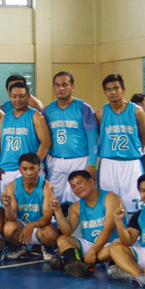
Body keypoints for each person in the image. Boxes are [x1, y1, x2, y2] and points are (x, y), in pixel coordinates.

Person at [49, 170, 123, 277]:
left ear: (92, 181)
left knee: (117, 247)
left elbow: (108, 228)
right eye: (73, 186)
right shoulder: (75, 207)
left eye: (79, 183)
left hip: (110, 243)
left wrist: (93, 251)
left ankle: (73, 262)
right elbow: (67, 231)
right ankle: (77, 264)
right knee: (62, 239)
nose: (77, 188)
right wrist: (57, 211)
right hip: (89, 244)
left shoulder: (110, 198)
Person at [44, 71, 99, 208]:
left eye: (65, 85)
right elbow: (44, 140)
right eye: (57, 85)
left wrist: (92, 164)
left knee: (80, 200)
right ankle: (60, 228)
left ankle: (81, 229)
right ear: (53, 87)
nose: (61, 88)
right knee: (56, 200)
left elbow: (93, 139)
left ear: (72, 87)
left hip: (80, 160)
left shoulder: (84, 108)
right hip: (56, 161)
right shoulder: (47, 111)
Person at [96, 74, 145, 214]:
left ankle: (134, 235)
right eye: (109, 89)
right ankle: (113, 235)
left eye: (116, 88)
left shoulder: (137, 111)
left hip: (131, 163)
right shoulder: (100, 114)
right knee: (108, 205)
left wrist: (133, 152)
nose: (113, 92)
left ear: (123, 89)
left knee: (135, 205)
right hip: (108, 163)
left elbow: (143, 137)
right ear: (105, 92)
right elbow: (99, 137)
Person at [0, 81, 51, 191]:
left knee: (31, 205)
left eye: (21, 96)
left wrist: (33, 166)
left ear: (28, 96)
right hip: (6, 170)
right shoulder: (4, 118)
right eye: (14, 96)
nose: (17, 99)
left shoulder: (36, 117)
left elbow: (46, 143)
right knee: (8, 205)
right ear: (10, 96)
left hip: (28, 171)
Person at [0, 153, 59, 259]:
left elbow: (47, 218)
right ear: (20, 170)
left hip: (40, 227)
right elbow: (11, 218)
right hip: (21, 227)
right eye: (25, 169)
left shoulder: (46, 186)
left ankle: (46, 247)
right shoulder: (12, 186)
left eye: (32, 169)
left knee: (50, 233)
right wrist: (7, 206)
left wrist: (32, 225)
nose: (29, 173)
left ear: (39, 169)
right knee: (8, 228)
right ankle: (21, 247)